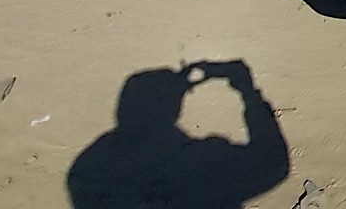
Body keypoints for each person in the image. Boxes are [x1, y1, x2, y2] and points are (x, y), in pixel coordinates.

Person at [67, 60, 290, 209]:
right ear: (174, 107)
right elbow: (273, 163)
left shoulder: (89, 169)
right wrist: (248, 91)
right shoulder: (202, 163)